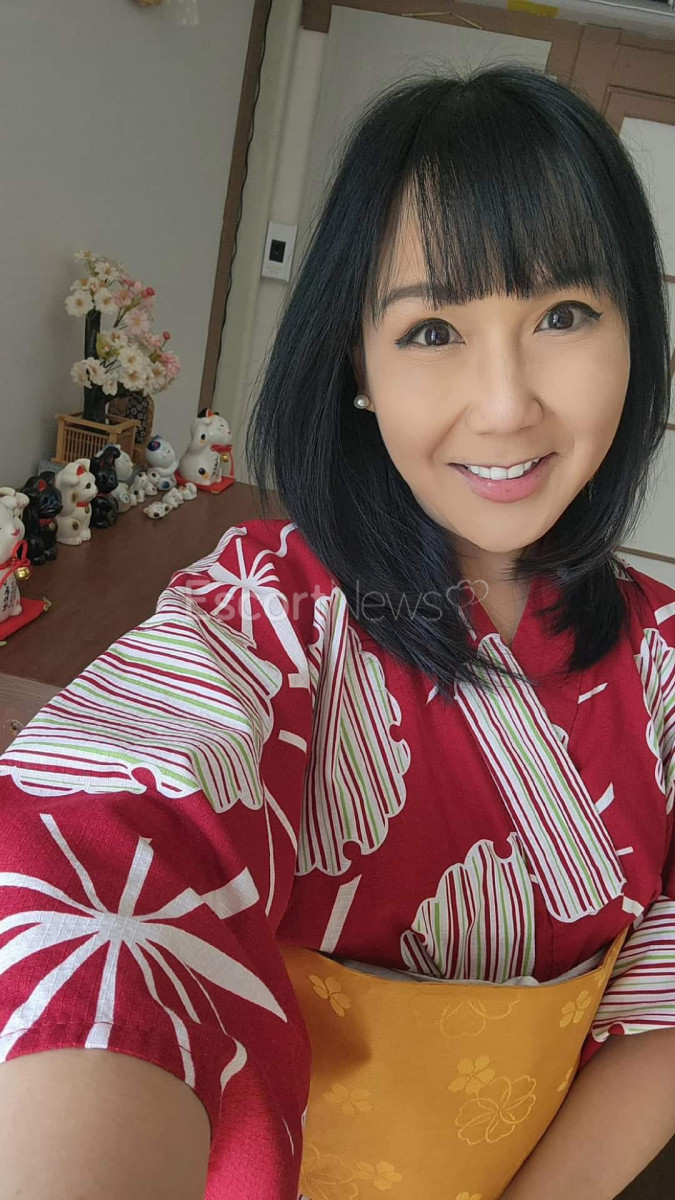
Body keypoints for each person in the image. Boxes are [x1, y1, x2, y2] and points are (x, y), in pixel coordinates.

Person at [0, 60, 674, 1200]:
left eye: (563, 315)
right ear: (356, 362)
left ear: (635, 335)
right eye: (432, 330)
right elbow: (100, 841)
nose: (505, 405)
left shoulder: (665, 663)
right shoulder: (263, 611)